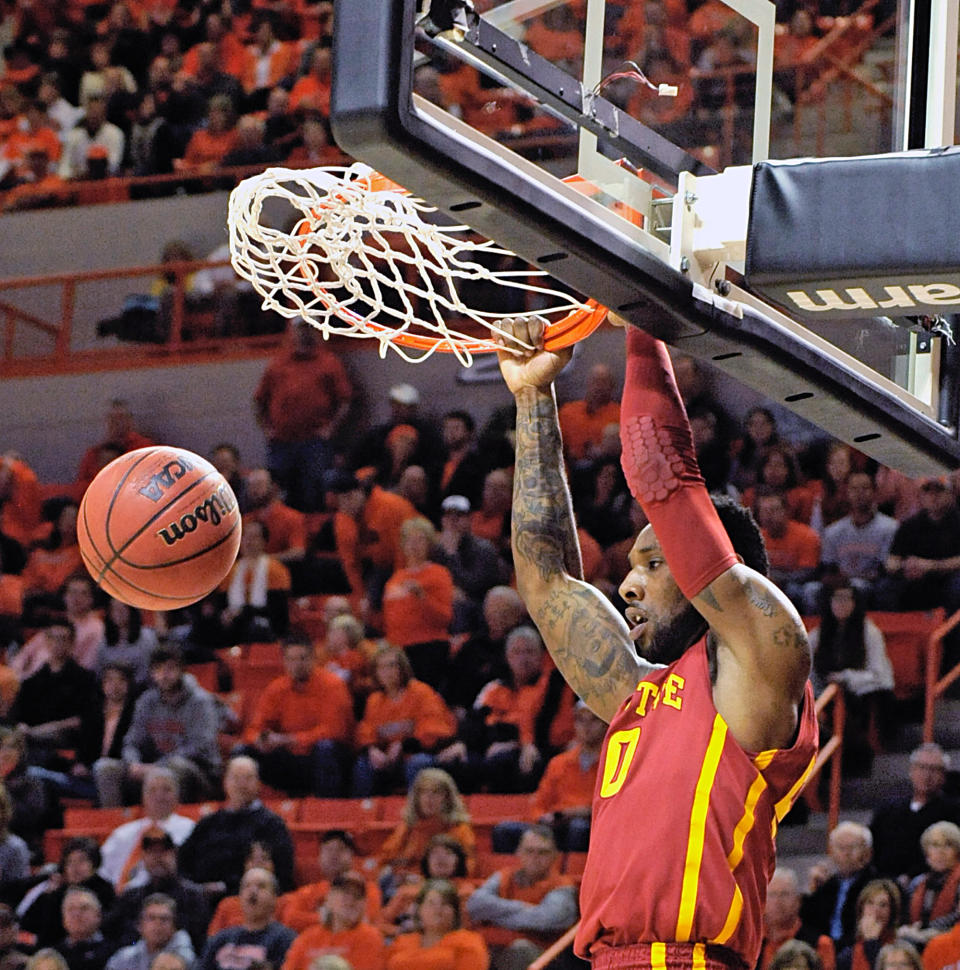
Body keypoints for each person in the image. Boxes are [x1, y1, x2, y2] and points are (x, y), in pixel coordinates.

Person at [494, 315, 817, 967]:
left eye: (653, 563)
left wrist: (645, 321)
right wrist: (533, 398)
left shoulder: (760, 657)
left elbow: (662, 475)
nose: (629, 586)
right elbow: (544, 577)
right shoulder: (638, 695)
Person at [95, 644, 221, 807]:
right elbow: (132, 741)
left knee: (176, 767)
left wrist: (158, 767)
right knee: (105, 768)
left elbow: (199, 746)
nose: (164, 675)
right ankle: (113, 825)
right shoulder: (146, 701)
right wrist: (134, 764)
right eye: (158, 669)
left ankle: (171, 825)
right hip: (150, 769)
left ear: (182, 670)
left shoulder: (200, 701)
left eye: (170, 669)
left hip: (199, 773)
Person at [253, 321, 353, 513]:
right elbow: (259, 399)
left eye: (309, 327)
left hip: (314, 442)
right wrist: (266, 429)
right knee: (278, 492)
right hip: (281, 442)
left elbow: (345, 400)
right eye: (301, 328)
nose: (304, 333)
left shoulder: (329, 362)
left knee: (314, 492)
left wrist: (330, 428)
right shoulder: (278, 363)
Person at [236, 636, 354, 797]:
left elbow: (334, 730)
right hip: (290, 757)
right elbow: (255, 728)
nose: (297, 665)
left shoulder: (332, 685)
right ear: (284, 661)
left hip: (323, 757)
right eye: (291, 659)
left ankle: (328, 810)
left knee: (325, 748)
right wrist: (260, 739)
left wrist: (289, 739)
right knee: (242, 751)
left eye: (302, 658)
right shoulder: (276, 688)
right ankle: (245, 811)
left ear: (313, 658)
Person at [492, 701, 606, 854]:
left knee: (578, 828)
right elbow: (540, 802)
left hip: (590, 825)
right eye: (580, 720)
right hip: (556, 824)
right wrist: (542, 817)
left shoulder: (612, 763)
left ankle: (572, 873)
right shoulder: (558, 763)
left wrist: (578, 812)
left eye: (594, 720)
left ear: (605, 724)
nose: (586, 726)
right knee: (503, 830)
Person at [178, 756, 295, 896]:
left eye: (248, 778)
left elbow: (279, 873)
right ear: (225, 782)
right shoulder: (208, 823)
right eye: (235, 778)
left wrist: (225, 887)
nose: (241, 784)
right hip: (198, 896)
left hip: (243, 897)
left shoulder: (272, 825)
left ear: (258, 784)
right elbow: (183, 860)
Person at [809, 582, 895, 773]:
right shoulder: (818, 635)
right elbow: (807, 673)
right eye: (837, 599)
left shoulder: (869, 632)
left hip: (863, 692)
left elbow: (880, 675)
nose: (842, 604)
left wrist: (846, 677)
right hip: (827, 694)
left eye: (847, 599)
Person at [466, 825, 578, 970]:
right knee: (469, 945)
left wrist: (494, 916)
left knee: (520, 949)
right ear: (518, 852)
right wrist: (524, 908)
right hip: (498, 949)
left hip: (546, 957)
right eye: (529, 851)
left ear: (555, 856)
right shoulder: (504, 876)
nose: (535, 858)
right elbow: (474, 905)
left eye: (543, 852)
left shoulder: (563, 886)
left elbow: (546, 920)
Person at [352, 646, 457, 798]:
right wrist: (372, 749)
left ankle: (416, 815)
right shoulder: (374, 701)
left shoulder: (421, 692)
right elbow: (366, 731)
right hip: (389, 760)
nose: (387, 672)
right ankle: (363, 814)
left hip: (419, 754)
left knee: (418, 763)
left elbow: (433, 729)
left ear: (402, 668)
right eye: (381, 667)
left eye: (391, 665)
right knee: (363, 765)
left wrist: (404, 744)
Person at [100, 828, 209, 954]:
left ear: (174, 855)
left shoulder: (193, 897)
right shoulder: (131, 896)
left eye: (163, 852)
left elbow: (198, 940)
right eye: (151, 852)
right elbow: (112, 934)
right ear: (143, 857)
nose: (157, 858)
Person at [8, 618, 98, 767]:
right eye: (53, 638)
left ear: (72, 643)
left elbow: (83, 720)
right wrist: (22, 727)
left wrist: (38, 731)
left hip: (62, 738)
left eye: (63, 639)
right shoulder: (33, 680)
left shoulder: (85, 679)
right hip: (28, 737)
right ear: (46, 642)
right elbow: (18, 714)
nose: (58, 644)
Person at [805, 472, 898, 613]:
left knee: (860, 587)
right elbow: (828, 568)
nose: (860, 493)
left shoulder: (890, 528)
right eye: (854, 489)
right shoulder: (834, 531)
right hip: (839, 583)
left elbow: (884, 570)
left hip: (869, 585)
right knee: (810, 590)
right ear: (846, 493)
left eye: (865, 488)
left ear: (874, 492)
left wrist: (851, 579)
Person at [871, 744, 960, 889]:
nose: (927, 775)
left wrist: (911, 876)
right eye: (922, 767)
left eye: (934, 769)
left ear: (944, 775)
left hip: (928, 883)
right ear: (911, 770)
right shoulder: (888, 809)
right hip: (883, 882)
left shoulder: (953, 811)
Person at [382, 518, 454, 691]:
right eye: (409, 540)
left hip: (428, 648)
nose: (414, 545)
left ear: (429, 544)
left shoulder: (439, 574)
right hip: (398, 651)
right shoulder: (395, 579)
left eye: (420, 539)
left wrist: (422, 597)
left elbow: (445, 618)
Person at [98, 768, 195, 893]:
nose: (159, 796)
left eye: (166, 789)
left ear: (178, 795)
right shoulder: (123, 834)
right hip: (123, 899)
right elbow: (103, 872)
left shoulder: (191, 830)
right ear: (143, 796)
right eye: (152, 790)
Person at [378, 768, 476, 891]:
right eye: (423, 792)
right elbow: (387, 859)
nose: (429, 798)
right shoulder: (407, 826)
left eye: (436, 792)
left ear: (447, 798)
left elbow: (467, 869)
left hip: (439, 889)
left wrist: (422, 880)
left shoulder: (459, 829)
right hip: (403, 885)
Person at [278, 830, 380, 933]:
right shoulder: (310, 891)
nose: (333, 855)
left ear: (352, 857)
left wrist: (316, 917)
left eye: (341, 849)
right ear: (319, 857)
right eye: (328, 849)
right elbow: (290, 919)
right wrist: (335, 918)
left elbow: (364, 920)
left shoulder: (367, 889)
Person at [19, 839, 116, 947]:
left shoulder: (106, 891)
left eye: (82, 860)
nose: (75, 867)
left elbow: (111, 926)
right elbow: (27, 923)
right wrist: (48, 897)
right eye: (70, 862)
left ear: (94, 864)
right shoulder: (56, 890)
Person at [279, 872, 386, 970]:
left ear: (364, 905)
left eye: (358, 896)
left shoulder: (370, 937)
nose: (351, 900)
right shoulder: (307, 938)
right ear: (329, 898)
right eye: (345, 893)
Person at [435, 496, 508, 637]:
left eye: (459, 515)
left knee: (460, 607)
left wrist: (452, 555)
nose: (453, 520)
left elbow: (474, 585)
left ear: (469, 519)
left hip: (479, 607)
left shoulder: (484, 548)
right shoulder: (436, 550)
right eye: (448, 515)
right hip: (445, 603)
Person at [197, 869, 295, 970]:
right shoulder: (220, 940)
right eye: (247, 886)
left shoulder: (285, 940)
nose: (253, 891)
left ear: (274, 898)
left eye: (261, 886)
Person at [802, 823, 879, 945]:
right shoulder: (826, 886)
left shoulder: (877, 885)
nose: (846, 853)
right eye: (840, 848)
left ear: (868, 852)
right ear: (831, 853)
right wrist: (812, 891)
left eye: (852, 847)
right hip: (825, 948)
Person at [386, 879, 489, 970]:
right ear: (419, 910)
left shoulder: (468, 942)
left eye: (445, 903)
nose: (438, 908)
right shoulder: (402, 942)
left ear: (455, 912)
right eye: (431, 903)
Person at [898, 822, 960, 951]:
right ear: (927, 852)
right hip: (917, 935)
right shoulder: (917, 882)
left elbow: (956, 916)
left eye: (948, 845)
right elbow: (905, 915)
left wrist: (924, 928)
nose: (940, 852)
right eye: (935, 845)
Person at [758, 869, 834, 970]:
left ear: (798, 901)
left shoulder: (820, 944)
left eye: (784, 894)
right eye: (772, 894)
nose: (778, 901)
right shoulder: (751, 943)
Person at [103, 895, 194, 970]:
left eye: (164, 919)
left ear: (174, 927)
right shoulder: (124, 957)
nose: (157, 924)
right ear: (139, 926)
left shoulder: (184, 956)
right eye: (151, 918)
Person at [836, 880, 901, 970]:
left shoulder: (901, 949)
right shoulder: (847, 956)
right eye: (870, 903)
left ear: (892, 912)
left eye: (883, 905)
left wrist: (872, 942)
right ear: (861, 909)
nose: (876, 910)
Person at [95, 601, 159, 689]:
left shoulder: (147, 636)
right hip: (113, 691)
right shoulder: (103, 642)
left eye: (123, 608)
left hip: (142, 688)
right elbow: (100, 673)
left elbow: (151, 670)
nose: (119, 612)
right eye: (114, 609)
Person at [54, 888, 118, 970]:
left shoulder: (114, 952)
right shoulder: (54, 955)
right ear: (63, 919)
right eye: (71, 909)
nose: (77, 914)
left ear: (98, 915)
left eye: (84, 908)